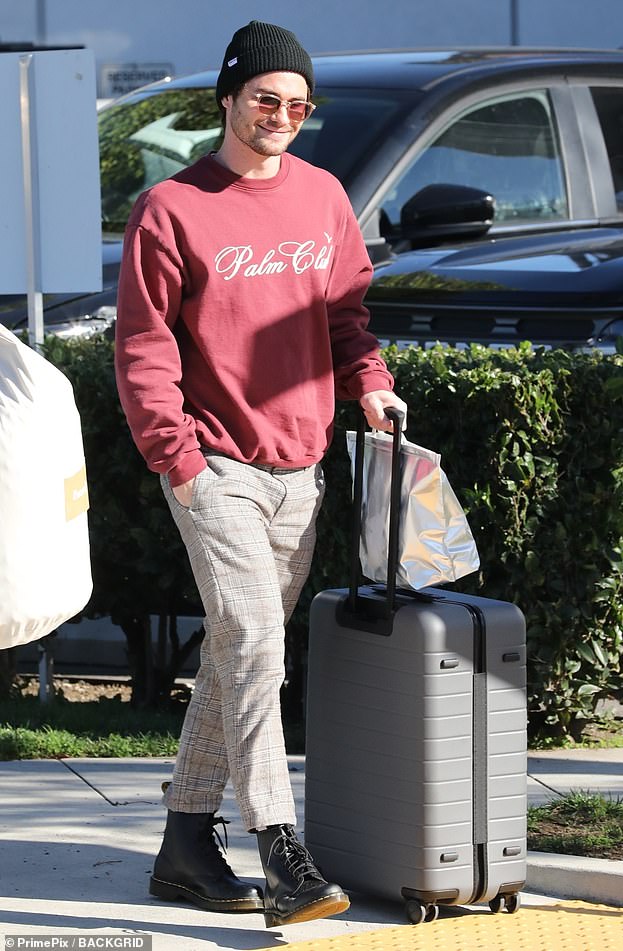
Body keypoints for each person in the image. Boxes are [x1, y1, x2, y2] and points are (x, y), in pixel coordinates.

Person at [114, 19, 407, 929]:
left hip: (302, 464)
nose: (282, 115)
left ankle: (184, 840)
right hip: (216, 465)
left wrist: (373, 386)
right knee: (255, 638)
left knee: (240, 650)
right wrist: (180, 461)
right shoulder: (173, 207)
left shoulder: (321, 199)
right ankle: (281, 846)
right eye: (265, 100)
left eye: (296, 104)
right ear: (228, 101)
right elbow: (142, 347)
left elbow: (347, 316)